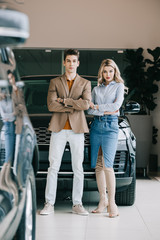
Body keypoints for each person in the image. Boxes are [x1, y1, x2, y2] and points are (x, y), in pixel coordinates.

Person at [40, 49, 91, 216]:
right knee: (53, 167)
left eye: (73, 61)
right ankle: (49, 204)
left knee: (78, 168)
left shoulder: (85, 83)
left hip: (77, 130)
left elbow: (86, 105)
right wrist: (74, 104)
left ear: (78, 63)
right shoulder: (55, 82)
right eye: (68, 61)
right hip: (58, 129)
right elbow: (51, 105)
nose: (70, 64)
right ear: (64, 63)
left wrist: (64, 101)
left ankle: (77, 204)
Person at [88, 59, 124, 218]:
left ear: (115, 72)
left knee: (108, 166)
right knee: (98, 165)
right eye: (105, 71)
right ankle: (102, 200)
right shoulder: (96, 89)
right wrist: (103, 110)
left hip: (111, 127)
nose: (108, 74)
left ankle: (112, 202)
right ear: (101, 73)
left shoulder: (119, 86)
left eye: (110, 71)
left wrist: (98, 108)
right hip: (96, 127)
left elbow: (116, 107)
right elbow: (90, 110)